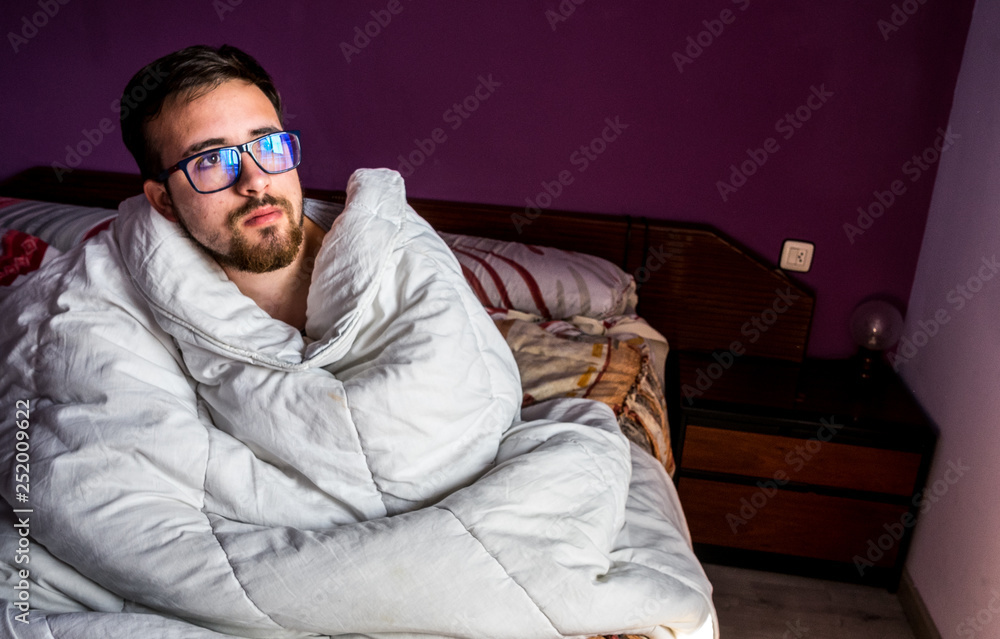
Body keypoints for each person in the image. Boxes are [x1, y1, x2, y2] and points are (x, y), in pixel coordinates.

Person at [0, 45, 715, 639]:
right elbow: (95, 490)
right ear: (161, 197)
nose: (255, 182)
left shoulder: (393, 252)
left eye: (268, 146)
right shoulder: (93, 294)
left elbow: (461, 417)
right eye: (211, 161)